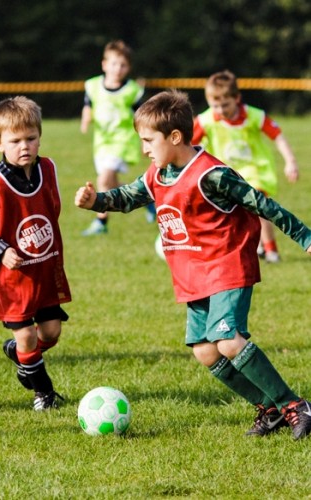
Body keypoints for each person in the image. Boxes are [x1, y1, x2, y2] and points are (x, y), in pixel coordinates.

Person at [75, 90, 311, 440]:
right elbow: (128, 197)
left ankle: (295, 406)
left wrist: (305, 237)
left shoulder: (211, 174)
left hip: (227, 266)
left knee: (228, 341)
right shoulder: (158, 174)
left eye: (148, 141)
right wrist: (98, 200)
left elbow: (262, 204)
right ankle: (269, 408)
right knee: (204, 351)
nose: (144, 149)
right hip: (193, 273)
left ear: (174, 137)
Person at [0, 96, 72, 411]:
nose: (24, 146)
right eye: (15, 141)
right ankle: (45, 394)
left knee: (51, 332)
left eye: (31, 138)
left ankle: (22, 356)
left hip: (42, 269)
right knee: (28, 336)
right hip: (10, 276)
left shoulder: (48, 168)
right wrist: (2, 250)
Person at [193, 70, 300, 263]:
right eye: (214, 105)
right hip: (224, 173)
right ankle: (253, 247)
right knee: (232, 214)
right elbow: (186, 144)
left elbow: (278, 136)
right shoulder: (205, 120)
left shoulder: (254, 115)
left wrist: (290, 161)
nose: (220, 110)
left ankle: (271, 251)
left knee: (258, 206)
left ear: (237, 98)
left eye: (225, 104)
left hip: (254, 169)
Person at [80, 40, 150, 236]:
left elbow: (141, 116)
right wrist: (86, 118)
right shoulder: (93, 85)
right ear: (104, 64)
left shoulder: (132, 91)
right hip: (102, 142)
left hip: (122, 141)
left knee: (103, 180)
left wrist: (146, 139)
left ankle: (100, 222)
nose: (117, 69)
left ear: (128, 68)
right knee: (111, 183)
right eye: (113, 63)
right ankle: (146, 201)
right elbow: (88, 103)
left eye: (123, 65)